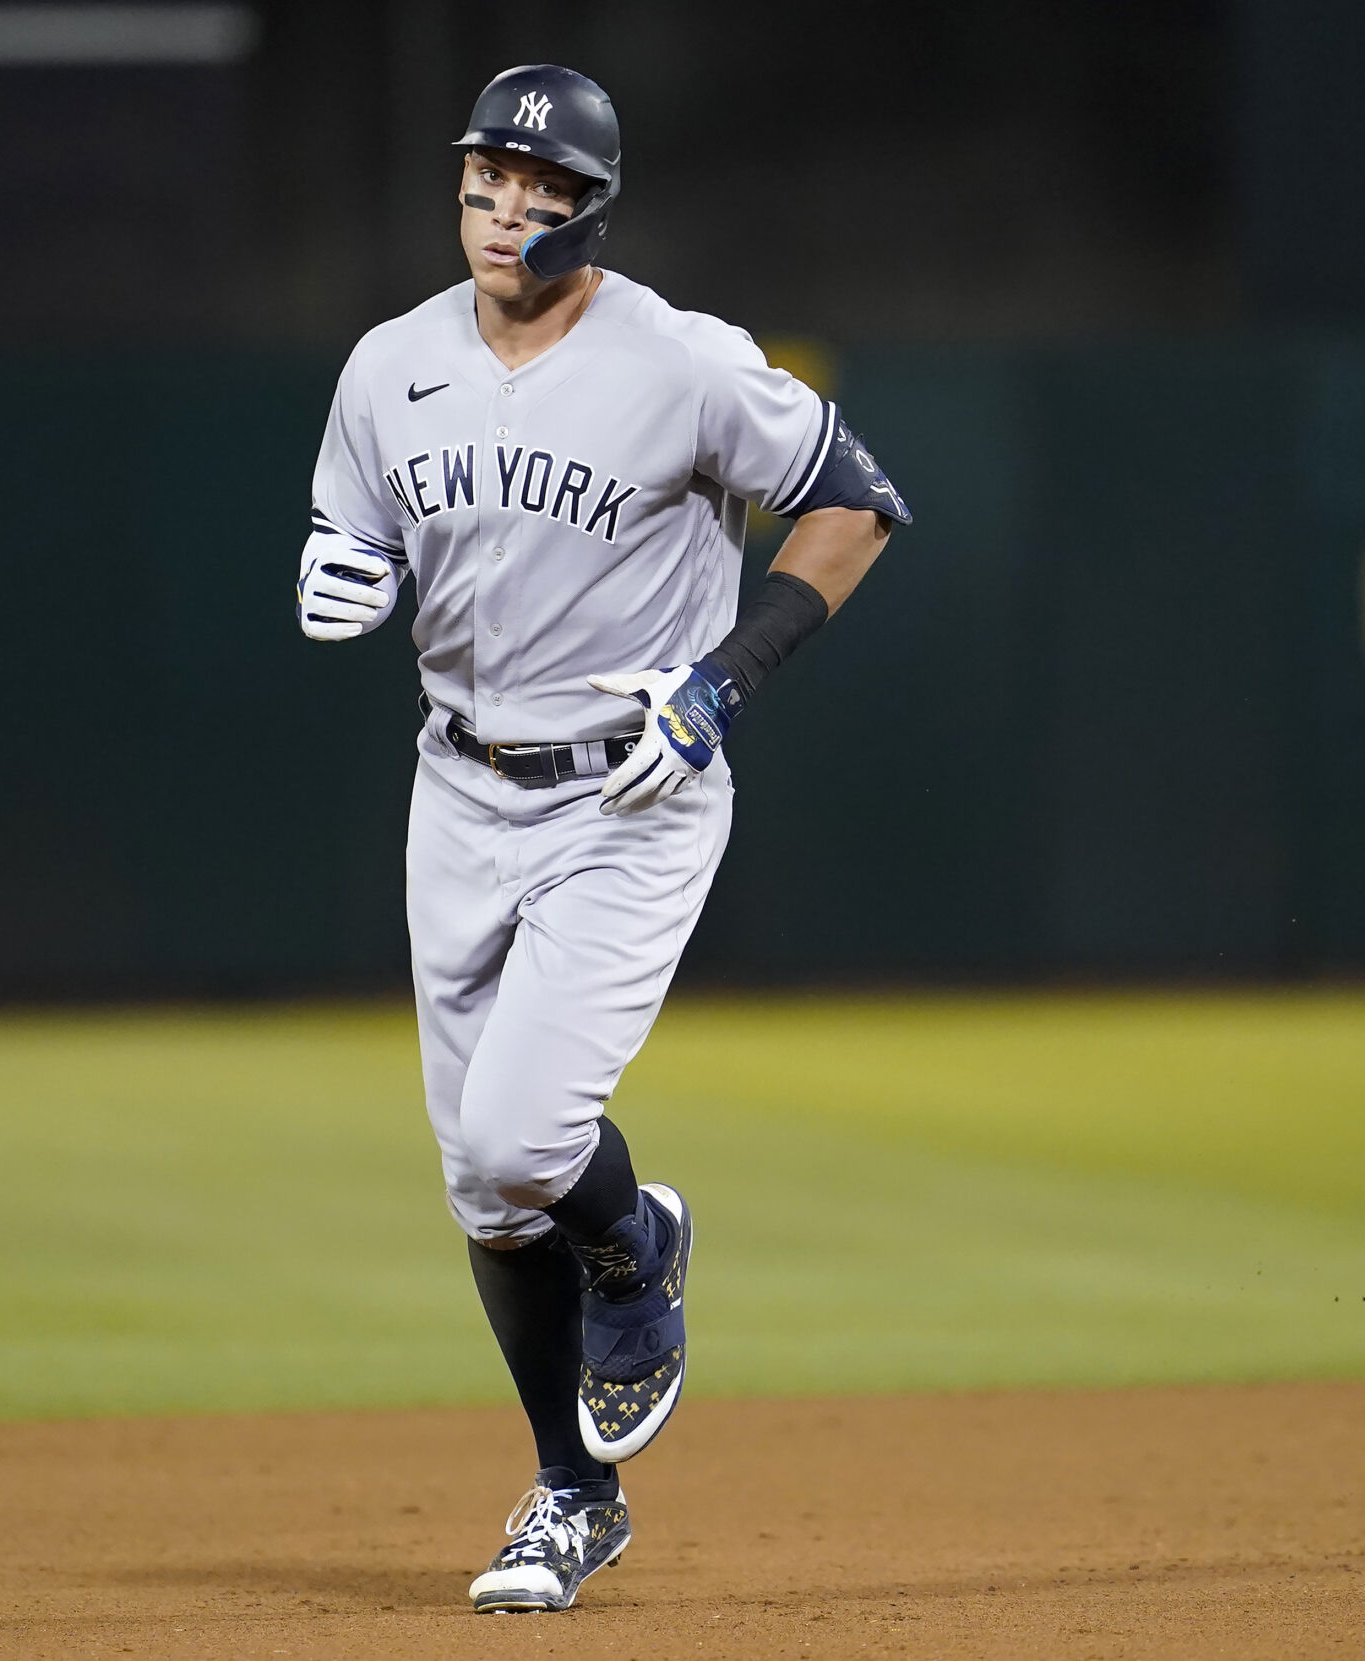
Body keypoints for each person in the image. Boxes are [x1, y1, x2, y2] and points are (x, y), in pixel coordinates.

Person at [297, 62, 909, 1614]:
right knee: (485, 1190)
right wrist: (343, 566)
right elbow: (355, 522)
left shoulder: (683, 365)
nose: (507, 208)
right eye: (488, 180)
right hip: (458, 785)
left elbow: (855, 502)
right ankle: (573, 1497)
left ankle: (633, 1241)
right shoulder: (388, 364)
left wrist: (725, 681)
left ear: (593, 212)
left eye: (542, 189)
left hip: (628, 795)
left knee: (521, 1140)